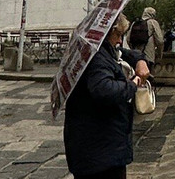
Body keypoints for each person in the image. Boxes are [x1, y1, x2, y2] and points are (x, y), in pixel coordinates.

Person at [63, 13, 151, 179]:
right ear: (108, 32)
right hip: (99, 150)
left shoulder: (101, 50)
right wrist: (133, 84)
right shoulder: (96, 58)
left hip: (100, 146)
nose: (120, 41)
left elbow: (125, 53)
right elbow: (105, 90)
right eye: (118, 35)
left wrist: (140, 60)